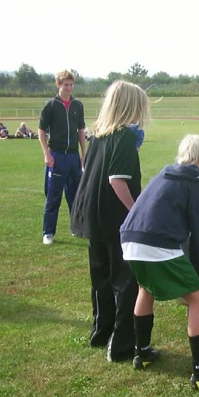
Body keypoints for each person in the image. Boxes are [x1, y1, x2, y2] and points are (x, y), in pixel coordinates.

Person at [120, 135, 199, 390]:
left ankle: (143, 353)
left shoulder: (163, 174)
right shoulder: (198, 184)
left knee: (145, 289)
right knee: (197, 298)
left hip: (129, 240)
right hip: (156, 243)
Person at [71, 81, 149, 362]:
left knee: (100, 278)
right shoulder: (124, 137)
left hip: (92, 214)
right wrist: (135, 212)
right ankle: (122, 344)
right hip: (114, 216)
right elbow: (117, 180)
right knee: (125, 280)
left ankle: (100, 332)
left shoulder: (98, 134)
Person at [38, 70, 86, 245]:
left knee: (76, 195)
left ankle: (77, 228)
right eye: (65, 84)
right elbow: (41, 130)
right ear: (58, 85)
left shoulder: (77, 105)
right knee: (53, 195)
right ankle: (48, 232)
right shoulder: (51, 105)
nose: (69, 88)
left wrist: (83, 153)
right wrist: (46, 154)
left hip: (73, 156)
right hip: (57, 156)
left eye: (71, 84)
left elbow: (81, 130)